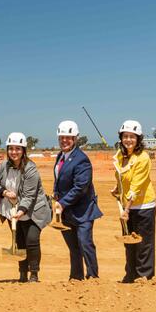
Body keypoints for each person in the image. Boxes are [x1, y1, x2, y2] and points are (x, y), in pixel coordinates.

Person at [0, 132, 52, 282]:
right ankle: (22, 273)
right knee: (19, 241)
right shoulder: (4, 166)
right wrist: (4, 192)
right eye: (11, 148)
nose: (14, 152)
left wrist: (20, 212)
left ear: (24, 150)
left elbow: (29, 196)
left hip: (32, 210)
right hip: (12, 210)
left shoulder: (31, 169)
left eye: (18, 149)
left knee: (31, 240)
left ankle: (34, 273)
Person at [52, 120, 102, 280]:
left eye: (68, 137)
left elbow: (81, 187)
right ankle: (76, 277)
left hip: (83, 211)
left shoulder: (82, 159)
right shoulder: (61, 156)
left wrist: (63, 203)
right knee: (73, 247)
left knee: (85, 243)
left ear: (75, 138)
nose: (64, 140)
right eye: (62, 137)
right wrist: (55, 193)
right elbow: (59, 178)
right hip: (67, 213)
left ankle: (93, 277)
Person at [112, 120, 156, 283]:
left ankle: (144, 276)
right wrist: (117, 188)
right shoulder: (120, 155)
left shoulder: (143, 158)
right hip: (127, 207)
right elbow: (121, 176)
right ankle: (130, 275)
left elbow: (136, 186)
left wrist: (127, 210)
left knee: (142, 244)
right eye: (125, 136)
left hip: (143, 206)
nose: (128, 140)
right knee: (129, 243)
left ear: (138, 139)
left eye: (132, 137)